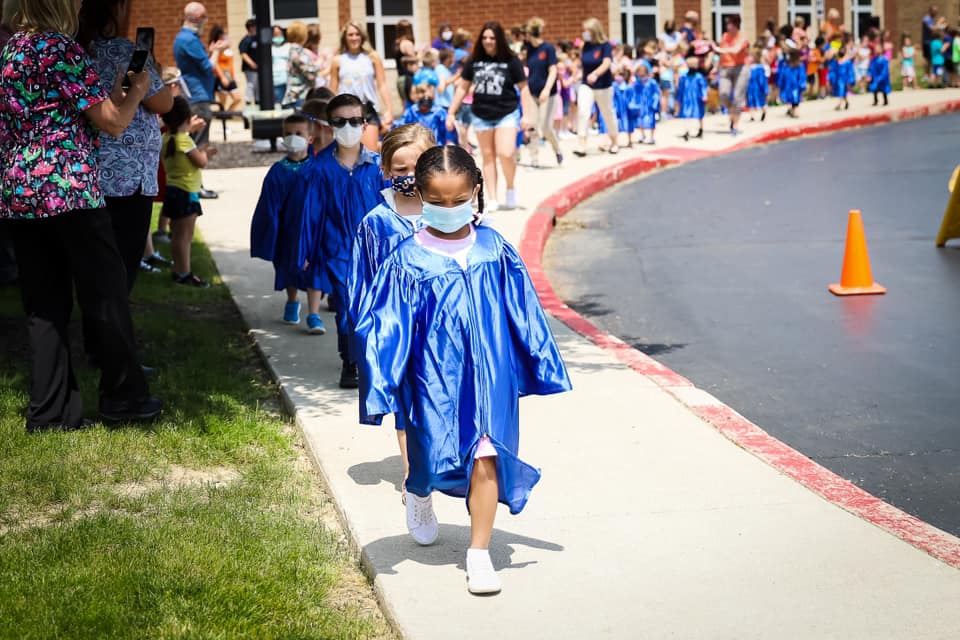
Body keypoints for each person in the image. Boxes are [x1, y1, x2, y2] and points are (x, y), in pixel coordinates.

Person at [353, 145, 572, 595]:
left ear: (475, 191)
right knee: (430, 455)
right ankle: (418, 491)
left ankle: (478, 553)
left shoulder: (494, 249)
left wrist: (537, 358)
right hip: (433, 376)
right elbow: (383, 326)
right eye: (438, 202)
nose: (450, 210)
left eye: (459, 201)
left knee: (487, 456)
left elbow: (523, 310)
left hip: (492, 376)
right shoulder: (406, 259)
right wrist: (383, 380)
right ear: (421, 196)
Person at [0, 0, 162, 430]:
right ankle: (124, 398)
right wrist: (138, 92)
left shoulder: (11, 50)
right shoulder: (62, 48)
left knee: (44, 303)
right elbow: (111, 123)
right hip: (68, 188)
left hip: (21, 190)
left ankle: (50, 414)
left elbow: (62, 115)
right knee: (106, 293)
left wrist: (110, 99)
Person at [346, 124, 436, 522]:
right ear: (385, 169)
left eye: (416, 166)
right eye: (399, 167)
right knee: (405, 406)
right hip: (398, 331)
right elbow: (361, 283)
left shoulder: (450, 213)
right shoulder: (377, 223)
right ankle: (413, 479)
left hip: (444, 328)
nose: (408, 175)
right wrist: (369, 336)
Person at [77, 0, 174, 294]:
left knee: (94, 264)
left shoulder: (74, 52)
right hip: (127, 179)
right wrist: (152, 68)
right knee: (122, 264)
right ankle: (113, 330)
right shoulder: (124, 51)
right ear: (116, 11)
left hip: (85, 177)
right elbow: (163, 102)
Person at [302, 93, 385, 387]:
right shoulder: (318, 169)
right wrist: (307, 252)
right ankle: (350, 362)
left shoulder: (378, 167)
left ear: (364, 125)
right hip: (336, 249)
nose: (348, 126)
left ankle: (375, 359)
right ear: (330, 125)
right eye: (340, 121)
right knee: (348, 308)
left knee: (375, 306)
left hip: (376, 252)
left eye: (354, 120)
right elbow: (310, 214)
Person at [447, 21, 532, 211]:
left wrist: (527, 115)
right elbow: (463, 87)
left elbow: (524, 89)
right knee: (487, 156)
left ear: (499, 39)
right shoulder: (474, 60)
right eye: (485, 37)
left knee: (506, 153)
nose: (488, 41)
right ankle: (492, 197)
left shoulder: (511, 60)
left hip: (507, 112)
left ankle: (510, 188)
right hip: (481, 114)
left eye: (492, 38)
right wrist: (451, 112)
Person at [250, 114, 319, 328]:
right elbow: (268, 206)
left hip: (312, 228)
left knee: (314, 267)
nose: (293, 137)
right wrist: (271, 232)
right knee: (288, 266)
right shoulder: (277, 172)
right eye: (288, 133)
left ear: (310, 138)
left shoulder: (318, 169)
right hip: (287, 229)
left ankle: (313, 314)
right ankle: (291, 301)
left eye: (299, 133)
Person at [160, 96, 217, 288]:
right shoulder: (184, 141)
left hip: (173, 191)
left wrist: (198, 150)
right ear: (187, 118)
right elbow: (200, 162)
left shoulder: (167, 138)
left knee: (177, 235)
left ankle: (178, 270)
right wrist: (206, 153)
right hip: (186, 193)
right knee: (185, 237)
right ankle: (184, 274)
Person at [329, 22, 394, 151]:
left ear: (362, 36)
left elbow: (382, 85)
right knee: (348, 153)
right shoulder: (338, 60)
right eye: (350, 35)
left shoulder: (372, 58)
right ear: (345, 38)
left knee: (370, 152)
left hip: (367, 109)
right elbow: (332, 90)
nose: (354, 38)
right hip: (345, 111)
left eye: (357, 34)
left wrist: (389, 110)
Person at [574, 17, 619, 156]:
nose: (585, 33)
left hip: (603, 85)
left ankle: (614, 141)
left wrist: (596, 74)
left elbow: (606, 63)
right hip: (586, 85)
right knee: (583, 111)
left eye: (587, 30)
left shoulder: (604, 45)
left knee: (607, 113)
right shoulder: (586, 46)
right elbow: (583, 63)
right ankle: (582, 144)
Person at [523, 17, 562, 167]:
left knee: (545, 128)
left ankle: (557, 149)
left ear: (530, 33)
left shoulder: (548, 48)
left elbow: (553, 70)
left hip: (548, 94)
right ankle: (534, 159)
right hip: (532, 93)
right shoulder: (530, 49)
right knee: (532, 125)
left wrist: (546, 89)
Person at [713, 14, 750, 135]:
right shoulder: (725, 36)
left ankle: (735, 125)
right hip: (725, 68)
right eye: (727, 24)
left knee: (738, 97)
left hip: (740, 68)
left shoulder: (742, 36)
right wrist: (715, 67)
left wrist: (720, 49)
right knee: (723, 95)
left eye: (730, 24)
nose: (728, 26)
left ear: (736, 24)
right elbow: (721, 55)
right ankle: (731, 112)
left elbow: (736, 50)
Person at [283, 21, 319, 107]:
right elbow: (310, 73)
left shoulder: (290, 49)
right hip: (299, 97)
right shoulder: (297, 50)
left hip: (294, 97)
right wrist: (318, 66)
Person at [207, 24, 242, 112]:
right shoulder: (215, 46)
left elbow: (230, 64)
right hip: (220, 76)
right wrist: (222, 77)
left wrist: (234, 77)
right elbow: (216, 64)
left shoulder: (227, 47)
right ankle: (224, 120)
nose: (225, 35)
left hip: (229, 76)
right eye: (223, 33)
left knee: (237, 98)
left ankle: (227, 114)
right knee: (223, 102)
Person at [676, 56, 707, 140]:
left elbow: (703, 86)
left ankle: (701, 129)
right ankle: (687, 131)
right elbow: (680, 88)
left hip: (697, 98)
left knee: (699, 114)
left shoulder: (698, 76)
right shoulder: (684, 76)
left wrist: (704, 95)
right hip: (687, 98)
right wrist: (679, 99)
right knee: (686, 114)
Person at [629, 62, 659, 144]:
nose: (641, 77)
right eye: (640, 75)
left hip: (650, 105)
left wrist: (655, 104)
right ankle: (643, 135)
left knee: (651, 121)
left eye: (643, 75)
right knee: (640, 120)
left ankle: (652, 137)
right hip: (640, 105)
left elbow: (656, 93)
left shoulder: (652, 82)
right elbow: (634, 93)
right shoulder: (637, 83)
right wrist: (634, 104)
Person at [778, 49, 806, 118]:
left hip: (788, 86)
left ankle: (791, 110)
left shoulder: (786, 65)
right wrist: (802, 86)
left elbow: (782, 76)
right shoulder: (799, 66)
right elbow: (802, 77)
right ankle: (795, 111)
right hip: (795, 86)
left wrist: (781, 84)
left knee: (789, 99)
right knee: (795, 100)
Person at [238, 18, 259, 105]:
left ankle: (258, 100)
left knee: (258, 86)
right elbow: (243, 53)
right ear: (250, 27)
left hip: (258, 67)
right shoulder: (246, 40)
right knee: (251, 84)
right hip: (250, 68)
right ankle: (248, 100)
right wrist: (251, 63)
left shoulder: (257, 38)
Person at [746, 46, 768, 122]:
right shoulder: (748, 67)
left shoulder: (760, 68)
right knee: (750, 100)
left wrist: (764, 89)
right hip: (750, 87)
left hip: (758, 87)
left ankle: (764, 111)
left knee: (761, 100)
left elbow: (762, 80)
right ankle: (752, 116)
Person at [829, 46, 854, 110]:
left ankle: (839, 104)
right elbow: (833, 69)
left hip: (845, 78)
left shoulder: (847, 61)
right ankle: (846, 102)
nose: (841, 52)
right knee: (842, 91)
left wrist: (850, 80)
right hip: (839, 79)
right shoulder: (837, 61)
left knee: (842, 90)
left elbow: (850, 71)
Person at [271, 25, 291, 104]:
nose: (278, 36)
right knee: (278, 104)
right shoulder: (269, 48)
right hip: (276, 81)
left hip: (288, 81)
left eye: (280, 33)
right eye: (275, 34)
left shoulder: (288, 46)